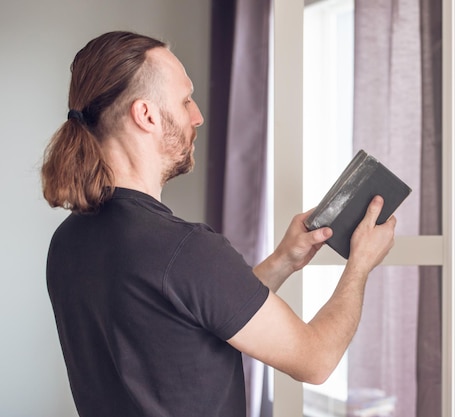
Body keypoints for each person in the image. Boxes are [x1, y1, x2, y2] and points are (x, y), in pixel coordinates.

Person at [41, 31, 396, 417]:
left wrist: (283, 260)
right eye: (185, 100)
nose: (198, 116)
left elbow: (194, 318)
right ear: (146, 115)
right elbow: (316, 359)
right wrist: (360, 265)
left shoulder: (68, 240)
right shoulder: (184, 249)